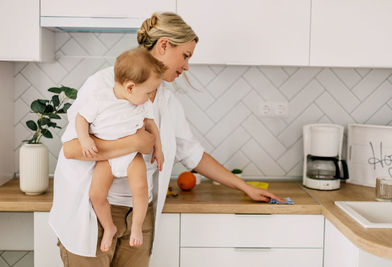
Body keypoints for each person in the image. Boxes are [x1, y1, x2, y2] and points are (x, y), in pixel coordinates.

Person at [49, 11, 286, 267]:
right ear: (164, 45)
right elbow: (73, 148)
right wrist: (135, 143)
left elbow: (193, 155)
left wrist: (245, 187)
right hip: (94, 215)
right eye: (185, 55)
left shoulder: (167, 101)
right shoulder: (105, 84)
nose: (186, 66)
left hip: (140, 219)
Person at [74, 48, 166, 252]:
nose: (151, 97)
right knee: (96, 195)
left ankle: (136, 228)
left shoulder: (140, 104)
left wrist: (159, 149)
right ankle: (109, 227)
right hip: (107, 159)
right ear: (131, 87)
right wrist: (84, 139)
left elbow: (151, 126)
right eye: (148, 92)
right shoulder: (99, 99)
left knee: (140, 190)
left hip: (132, 157)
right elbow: (80, 119)